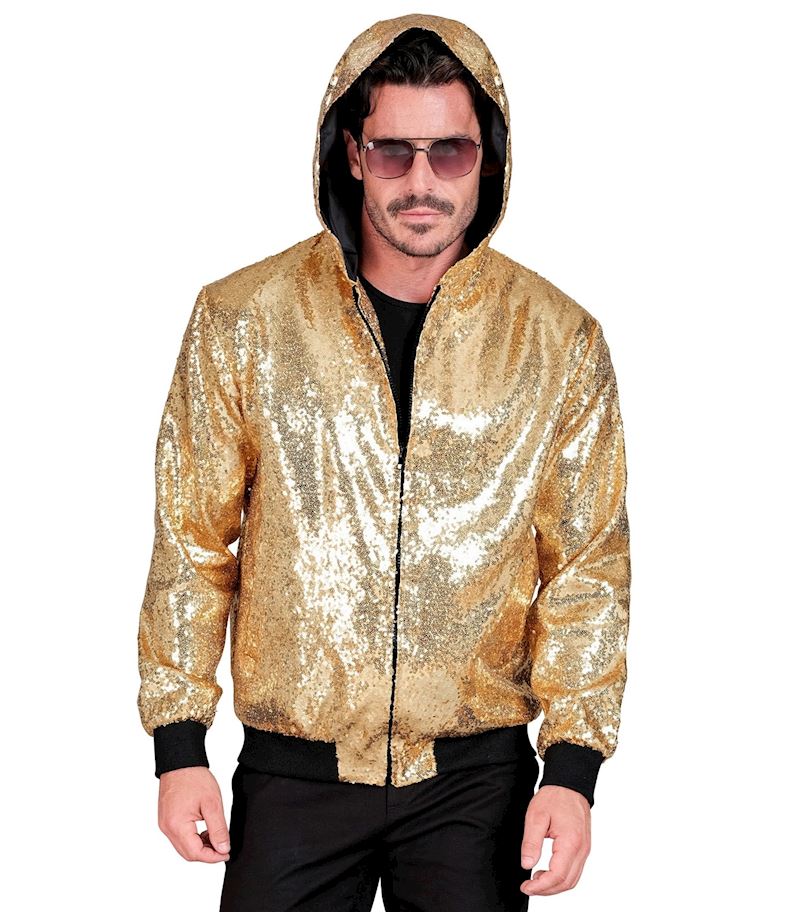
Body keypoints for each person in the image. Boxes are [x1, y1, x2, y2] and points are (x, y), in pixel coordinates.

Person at [137, 13, 631, 911]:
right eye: (394, 151)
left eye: (451, 151)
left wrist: (571, 769)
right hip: (294, 775)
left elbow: (586, 569)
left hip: (476, 786)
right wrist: (179, 746)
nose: (422, 181)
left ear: (488, 160)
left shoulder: (559, 342)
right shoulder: (243, 320)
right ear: (353, 154)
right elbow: (192, 541)